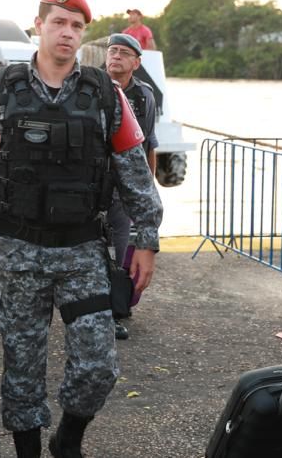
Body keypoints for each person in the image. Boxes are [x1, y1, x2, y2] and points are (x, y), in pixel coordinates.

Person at [0, 0, 163, 458]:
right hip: (16, 251)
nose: (67, 33)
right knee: (22, 367)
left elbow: (134, 170)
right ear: (39, 25)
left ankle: (67, 440)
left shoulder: (105, 94)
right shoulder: (0, 88)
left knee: (98, 366)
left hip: (81, 251)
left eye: (77, 26)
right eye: (59, 22)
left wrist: (147, 238)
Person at [103, 33, 159, 341]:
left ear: (135, 63)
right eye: (112, 51)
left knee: (122, 249)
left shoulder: (143, 96)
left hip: (124, 189)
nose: (116, 57)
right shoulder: (94, 87)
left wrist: (147, 191)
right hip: (93, 185)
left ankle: (116, 309)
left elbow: (148, 144)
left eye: (124, 53)